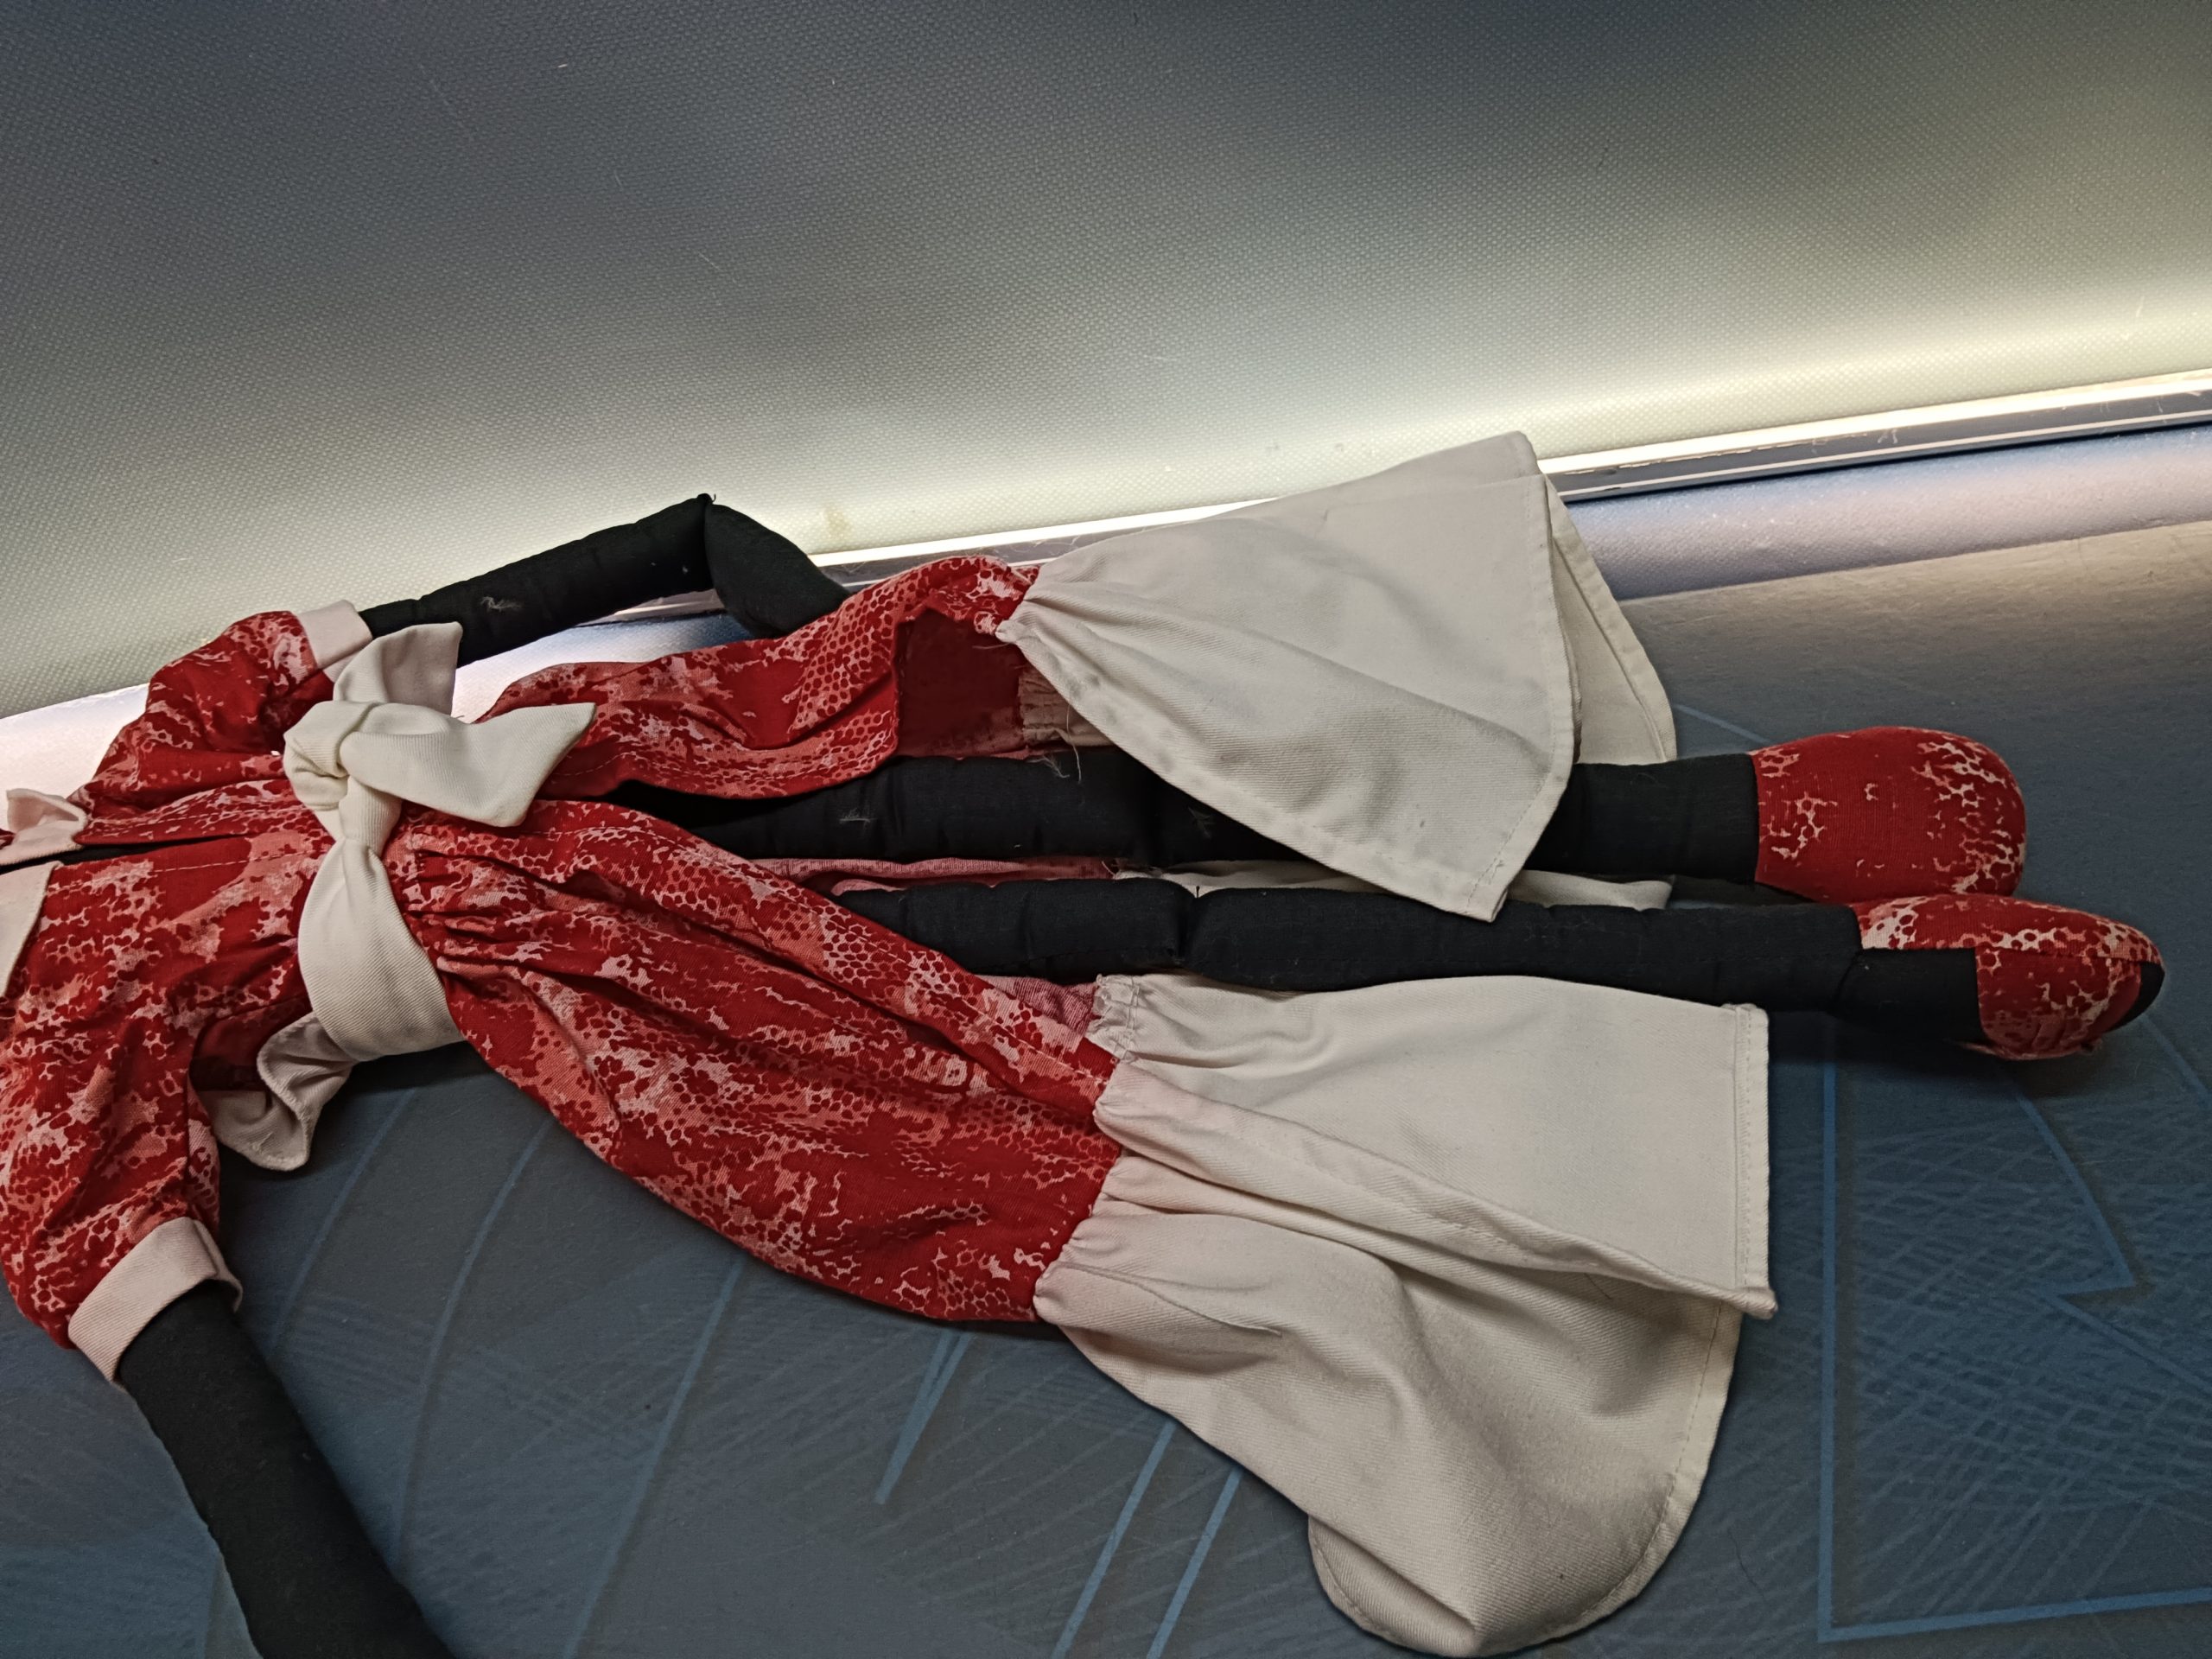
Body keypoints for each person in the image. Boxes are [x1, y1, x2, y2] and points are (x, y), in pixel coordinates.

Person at [0, 435, 2161, 1657]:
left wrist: (783, 603)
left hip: (661, 751)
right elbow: (176, 1351)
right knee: (1160, 955)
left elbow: (589, 563)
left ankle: (1720, 819)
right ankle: (1849, 976)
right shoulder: (40, 1062)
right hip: (638, 979)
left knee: (1138, 773)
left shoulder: (146, 752)